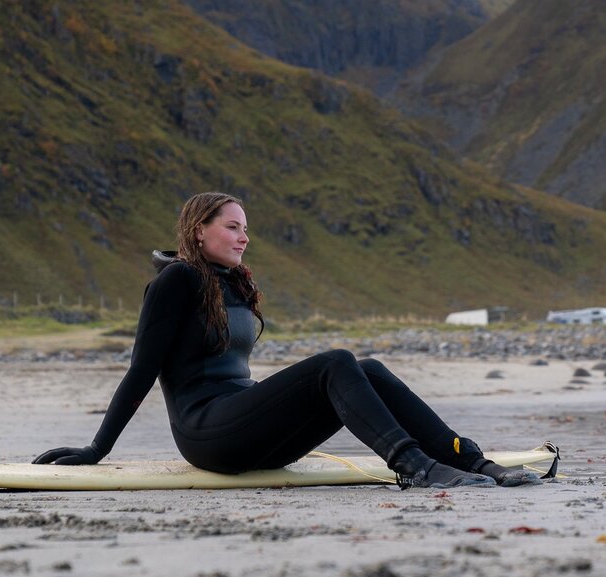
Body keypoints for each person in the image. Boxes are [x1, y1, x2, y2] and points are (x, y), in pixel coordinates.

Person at [34, 191, 540, 489]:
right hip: (208, 432)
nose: (244, 236)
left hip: (247, 422)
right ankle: (414, 467)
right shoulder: (176, 280)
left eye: (246, 228)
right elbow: (141, 369)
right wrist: (96, 450)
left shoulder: (229, 282)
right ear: (199, 228)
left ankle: (472, 462)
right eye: (232, 227)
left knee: (368, 369)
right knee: (335, 362)